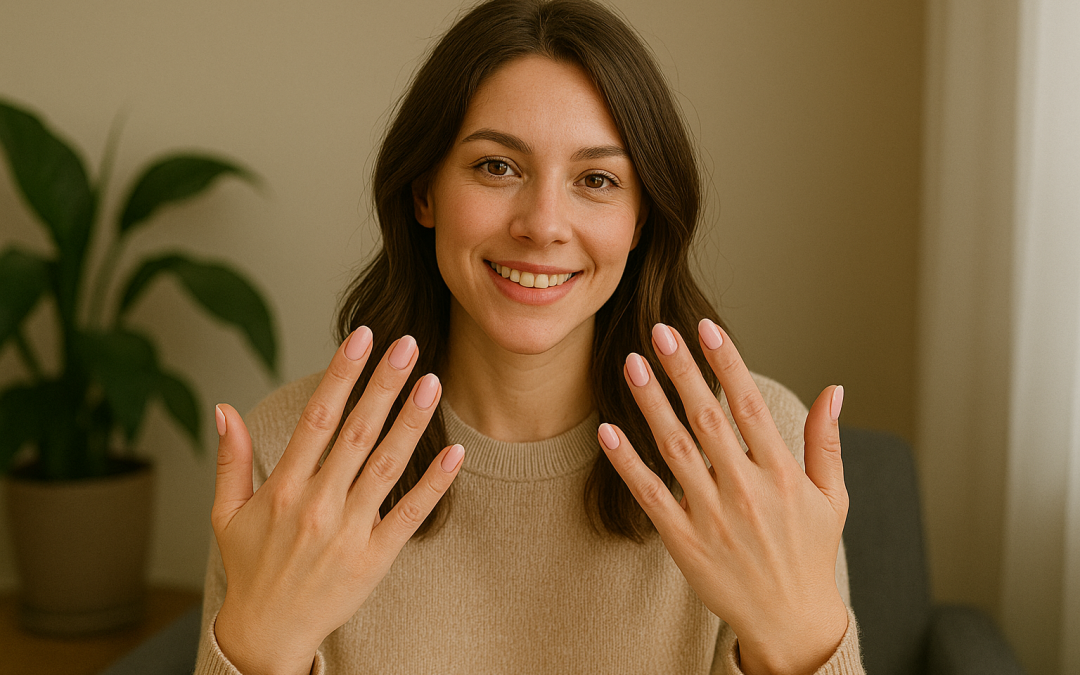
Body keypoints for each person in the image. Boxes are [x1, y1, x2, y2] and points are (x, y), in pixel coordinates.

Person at [196, 0, 865, 673]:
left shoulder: (761, 464)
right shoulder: (290, 469)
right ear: (424, 192)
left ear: (641, 220)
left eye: (596, 179)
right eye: (497, 167)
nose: (543, 224)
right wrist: (260, 646)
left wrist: (799, 637)